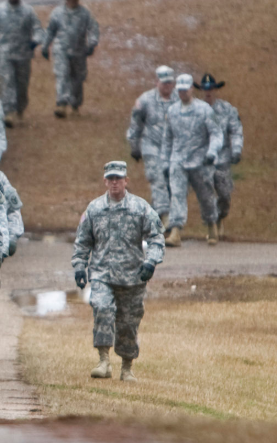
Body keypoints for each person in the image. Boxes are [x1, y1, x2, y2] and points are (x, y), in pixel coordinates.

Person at [72, 161, 164, 382]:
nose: (114, 182)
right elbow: (82, 242)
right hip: (102, 274)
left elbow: (157, 236)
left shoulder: (140, 208)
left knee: (128, 323)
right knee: (102, 308)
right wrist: (79, 266)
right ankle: (103, 361)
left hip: (132, 277)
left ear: (126, 181)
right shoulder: (94, 209)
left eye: (118, 178)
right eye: (110, 178)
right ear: (105, 181)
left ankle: (126, 367)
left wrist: (151, 261)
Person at [161, 74, 223, 246]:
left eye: (185, 89)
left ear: (192, 89)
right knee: (177, 195)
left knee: (206, 197)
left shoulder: (205, 110)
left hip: (200, 161)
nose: (182, 93)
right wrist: (165, 161)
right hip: (178, 161)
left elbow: (216, 134)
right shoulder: (172, 111)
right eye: (179, 90)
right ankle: (175, 232)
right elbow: (167, 139)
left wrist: (212, 152)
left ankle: (212, 226)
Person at [127, 66, 177, 238]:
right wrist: (134, 144)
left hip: (173, 150)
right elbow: (136, 123)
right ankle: (167, 221)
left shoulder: (180, 100)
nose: (167, 86)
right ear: (157, 82)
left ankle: (149, 221)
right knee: (157, 180)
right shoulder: (145, 100)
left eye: (170, 83)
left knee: (172, 184)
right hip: (151, 147)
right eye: (164, 83)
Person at [0, 0, 43, 126]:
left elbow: (38, 29)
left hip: (23, 54)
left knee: (22, 84)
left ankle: (20, 110)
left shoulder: (28, 11)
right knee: (8, 82)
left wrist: (35, 41)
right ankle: (9, 113)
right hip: (4, 53)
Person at [195, 74, 244, 237]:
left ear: (216, 89)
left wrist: (236, 150)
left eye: (211, 89)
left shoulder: (227, 109)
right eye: (205, 89)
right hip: (202, 159)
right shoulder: (195, 110)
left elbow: (236, 131)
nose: (208, 92)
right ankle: (211, 226)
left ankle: (220, 217)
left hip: (222, 158)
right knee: (206, 194)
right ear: (201, 90)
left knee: (224, 194)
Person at [42, 0, 100, 118]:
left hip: (79, 51)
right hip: (61, 50)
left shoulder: (85, 13)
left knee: (77, 80)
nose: (72, 0)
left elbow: (93, 29)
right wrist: (45, 46)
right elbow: (50, 31)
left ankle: (75, 106)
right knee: (62, 76)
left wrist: (91, 44)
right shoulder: (57, 13)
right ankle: (61, 105)